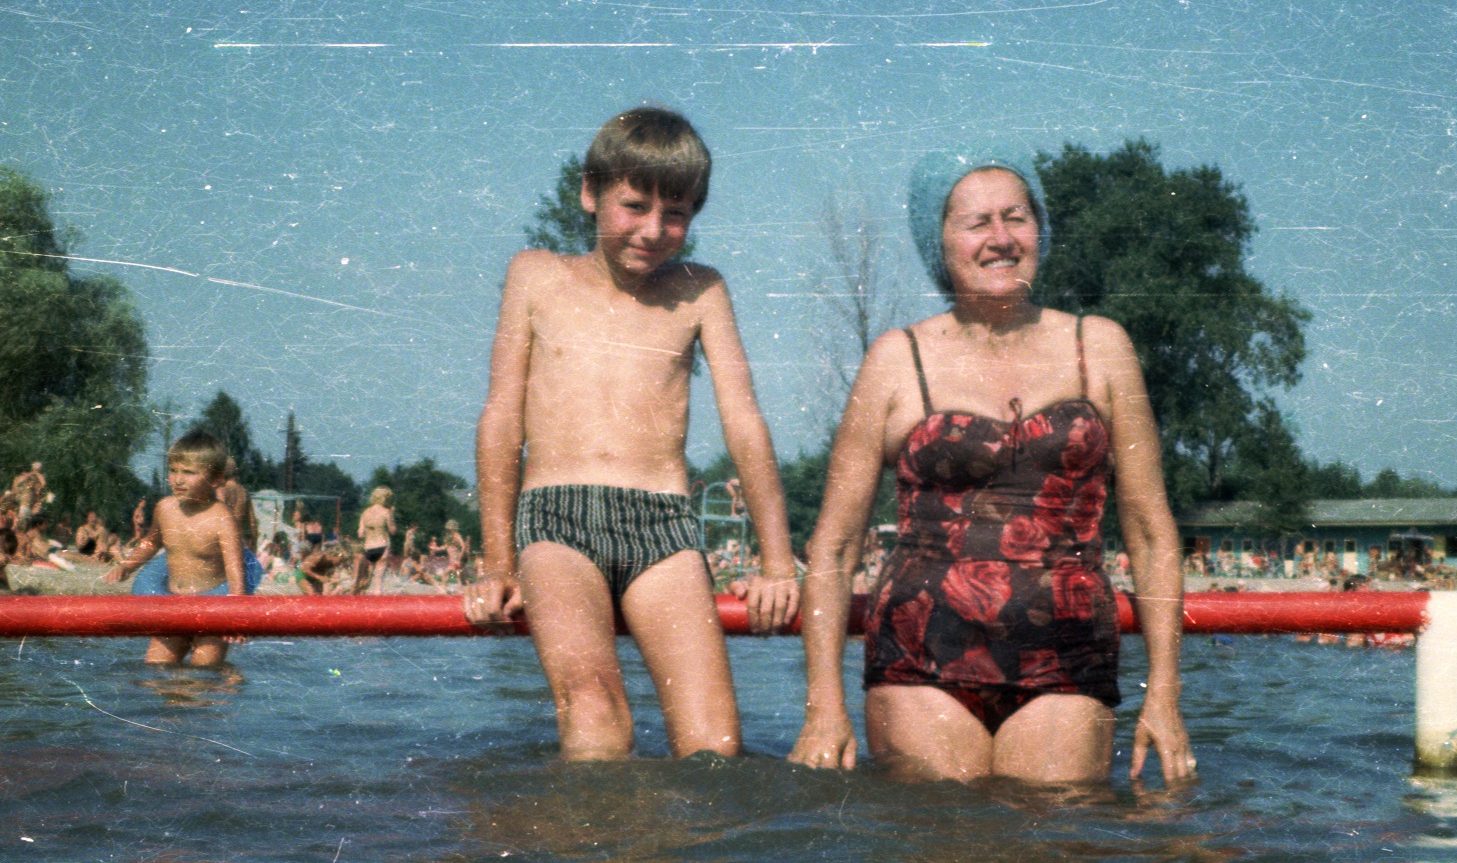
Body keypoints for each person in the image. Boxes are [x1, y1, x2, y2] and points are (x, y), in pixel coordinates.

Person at [789, 148, 1193, 785]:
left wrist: (1165, 696)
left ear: (1040, 230)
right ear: (940, 242)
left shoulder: (1102, 347)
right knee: (942, 855)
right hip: (920, 661)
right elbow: (835, 546)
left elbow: (1150, 531)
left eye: (1017, 217)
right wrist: (823, 709)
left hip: (1067, 662)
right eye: (977, 223)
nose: (1001, 239)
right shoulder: (897, 360)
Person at [464, 105, 800, 760]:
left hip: (664, 526)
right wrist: (497, 562)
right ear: (590, 194)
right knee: (596, 715)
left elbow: (745, 424)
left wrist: (778, 563)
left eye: (675, 213)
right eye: (634, 206)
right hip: (557, 521)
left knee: (715, 745)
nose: (653, 230)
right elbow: (501, 418)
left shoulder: (702, 290)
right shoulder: (536, 275)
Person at [105, 431, 261, 668]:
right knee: (155, 669)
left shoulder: (222, 519)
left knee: (203, 674)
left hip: (214, 610)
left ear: (216, 479)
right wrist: (127, 565)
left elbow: (235, 570)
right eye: (173, 470)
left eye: (188, 473)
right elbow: (151, 541)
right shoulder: (165, 509)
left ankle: (228, 681)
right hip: (173, 605)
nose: (177, 480)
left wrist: (235, 615)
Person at [356, 486, 397, 595]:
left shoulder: (365, 513)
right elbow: (393, 531)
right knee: (378, 581)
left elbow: (360, 534)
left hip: (368, 547)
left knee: (365, 580)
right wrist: (392, 514)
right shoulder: (386, 512)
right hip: (382, 546)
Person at [218, 457, 260, 551]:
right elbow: (252, 523)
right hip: (240, 541)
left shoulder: (222, 490)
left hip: (223, 541)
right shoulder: (244, 492)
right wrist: (254, 546)